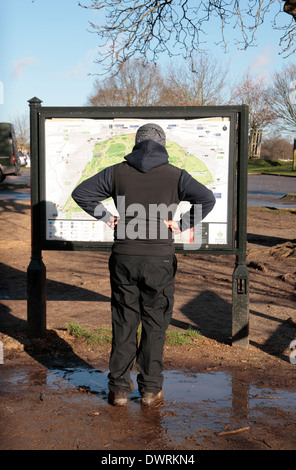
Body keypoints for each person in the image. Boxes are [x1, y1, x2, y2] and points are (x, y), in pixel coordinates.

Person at [72, 123, 215, 406]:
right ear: (163, 145)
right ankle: (150, 391)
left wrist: (107, 217)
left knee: (124, 322)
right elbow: (206, 199)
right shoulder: (177, 176)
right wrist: (182, 223)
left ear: (136, 144)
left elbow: (81, 193)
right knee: (155, 323)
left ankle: (119, 391)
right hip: (159, 260)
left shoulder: (116, 171)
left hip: (124, 256)